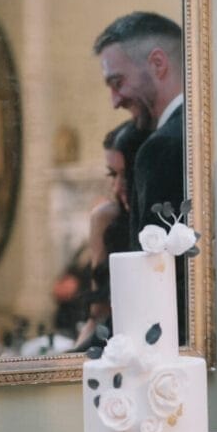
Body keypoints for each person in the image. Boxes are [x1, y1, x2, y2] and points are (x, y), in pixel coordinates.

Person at [93, 11, 186, 342]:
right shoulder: (197, 132)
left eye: (118, 83)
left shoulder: (160, 148)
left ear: (158, 64)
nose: (115, 101)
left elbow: (150, 284)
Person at [72, 121, 147, 351]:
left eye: (126, 175)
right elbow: (97, 315)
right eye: (112, 174)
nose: (116, 187)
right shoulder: (106, 219)